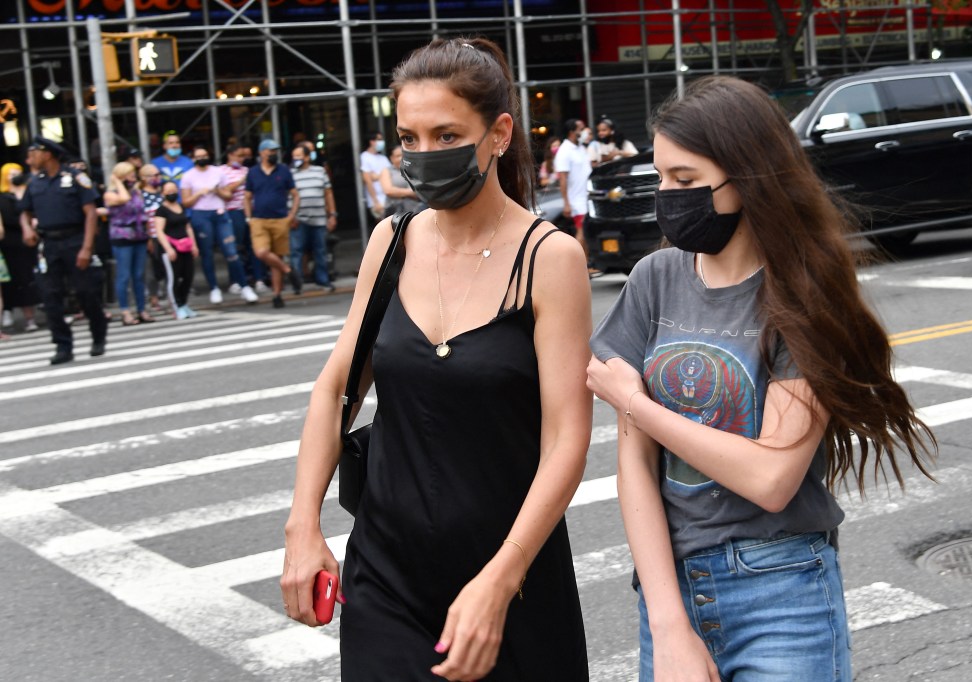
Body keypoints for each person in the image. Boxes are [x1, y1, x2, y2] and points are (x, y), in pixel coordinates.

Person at [587, 76, 936, 682]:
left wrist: (639, 406)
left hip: (782, 592)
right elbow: (636, 470)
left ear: (746, 178)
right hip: (669, 591)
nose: (667, 196)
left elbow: (771, 478)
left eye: (686, 181)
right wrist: (668, 623)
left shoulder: (803, 291)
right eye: (662, 178)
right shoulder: (653, 279)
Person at [280, 37, 592, 681]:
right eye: (409, 138)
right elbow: (336, 388)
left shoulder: (549, 258)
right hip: (387, 572)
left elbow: (567, 437)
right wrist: (302, 526)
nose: (423, 156)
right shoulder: (391, 242)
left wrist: (502, 580)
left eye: (446, 134)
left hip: (510, 577)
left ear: (499, 133)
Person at [19, 136, 108, 364]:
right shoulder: (34, 181)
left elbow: (90, 213)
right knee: (50, 296)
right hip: (49, 244)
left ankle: (98, 335)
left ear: (47, 154)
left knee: (86, 292)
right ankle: (62, 345)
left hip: (75, 240)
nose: (31, 158)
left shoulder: (76, 178)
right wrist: (27, 228)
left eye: (34, 152)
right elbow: (24, 211)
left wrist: (87, 248)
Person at [180, 145, 258, 304]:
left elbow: (228, 194)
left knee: (231, 250)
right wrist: (198, 194)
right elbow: (186, 202)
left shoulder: (218, 172)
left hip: (220, 213)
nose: (202, 158)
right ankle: (214, 288)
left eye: (204, 155)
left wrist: (218, 191)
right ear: (194, 159)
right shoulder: (188, 176)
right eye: (198, 156)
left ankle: (244, 286)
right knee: (207, 253)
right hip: (201, 215)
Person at [244, 139, 302, 308]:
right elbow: (247, 196)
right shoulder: (253, 172)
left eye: (275, 151)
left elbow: (295, 194)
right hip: (259, 219)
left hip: (280, 219)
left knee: (277, 255)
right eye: (271, 151)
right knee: (261, 252)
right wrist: (248, 217)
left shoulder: (283, 170)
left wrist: (291, 215)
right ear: (262, 153)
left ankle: (277, 295)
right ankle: (288, 270)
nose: (274, 154)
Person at [104, 161, 154, 326]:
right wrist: (117, 182)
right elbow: (123, 199)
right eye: (130, 175)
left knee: (139, 275)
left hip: (139, 236)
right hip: (122, 237)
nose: (133, 178)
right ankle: (125, 310)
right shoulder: (110, 194)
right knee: (124, 275)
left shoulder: (136, 192)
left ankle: (141, 309)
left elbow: (142, 213)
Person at [289, 144, 337, 293]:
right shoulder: (290, 174)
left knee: (320, 251)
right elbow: (288, 196)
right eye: (294, 156)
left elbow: (328, 193)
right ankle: (297, 283)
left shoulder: (319, 171)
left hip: (319, 219)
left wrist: (332, 214)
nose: (296, 159)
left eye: (299, 156)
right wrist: (291, 216)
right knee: (296, 251)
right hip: (299, 219)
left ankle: (323, 281)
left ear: (307, 157)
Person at [222, 143, 268, 293]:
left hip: (251, 212)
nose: (243, 159)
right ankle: (236, 281)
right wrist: (242, 181)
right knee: (235, 247)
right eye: (240, 156)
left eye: (244, 156)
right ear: (230, 155)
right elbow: (225, 191)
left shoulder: (248, 170)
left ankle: (259, 279)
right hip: (233, 211)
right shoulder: (221, 171)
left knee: (255, 246)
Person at [0, 163, 40, 333]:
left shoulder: (28, 192)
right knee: (14, 279)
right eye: (11, 173)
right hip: (12, 242)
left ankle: (35, 313)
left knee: (34, 275)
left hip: (31, 240)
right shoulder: (2, 197)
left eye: (17, 173)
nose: (15, 176)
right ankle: (9, 310)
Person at [554, 117, 595, 273]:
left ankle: (585, 265)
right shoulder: (564, 152)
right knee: (581, 231)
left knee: (586, 231)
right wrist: (566, 202)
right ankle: (579, 267)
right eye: (581, 128)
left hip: (588, 197)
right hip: (577, 200)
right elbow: (562, 179)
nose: (584, 131)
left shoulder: (580, 148)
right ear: (572, 132)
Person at [153, 181, 199, 320]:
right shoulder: (161, 210)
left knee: (188, 276)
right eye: (168, 191)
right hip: (171, 247)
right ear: (163, 193)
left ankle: (184, 303)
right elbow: (159, 231)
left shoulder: (181, 207)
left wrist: (194, 245)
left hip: (185, 246)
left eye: (174, 190)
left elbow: (188, 227)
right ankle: (176, 306)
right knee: (173, 278)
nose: (172, 193)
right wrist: (168, 248)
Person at [139, 163, 168, 314]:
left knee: (167, 267)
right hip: (151, 236)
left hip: (166, 235)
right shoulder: (140, 194)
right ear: (143, 178)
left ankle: (171, 297)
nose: (157, 178)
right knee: (152, 269)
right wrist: (149, 237)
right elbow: (141, 219)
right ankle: (153, 297)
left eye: (158, 175)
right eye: (153, 176)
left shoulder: (163, 193)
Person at [378, 143, 424, 216]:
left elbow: (422, 192)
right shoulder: (387, 171)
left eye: (403, 155)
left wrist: (398, 192)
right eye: (397, 156)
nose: (401, 158)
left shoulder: (413, 170)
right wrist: (411, 193)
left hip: (415, 211)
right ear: (391, 158)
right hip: (394, 212)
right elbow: (388, 191)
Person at [359, 130, 390, 221]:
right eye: (379, 139)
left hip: (389, 198)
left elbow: (390, 174)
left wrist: (377, 176)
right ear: (372, 141)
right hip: (377, 200)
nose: (381, 142)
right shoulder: (364, 156)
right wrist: (375, 202)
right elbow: (368, 180)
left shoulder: (383, 158)